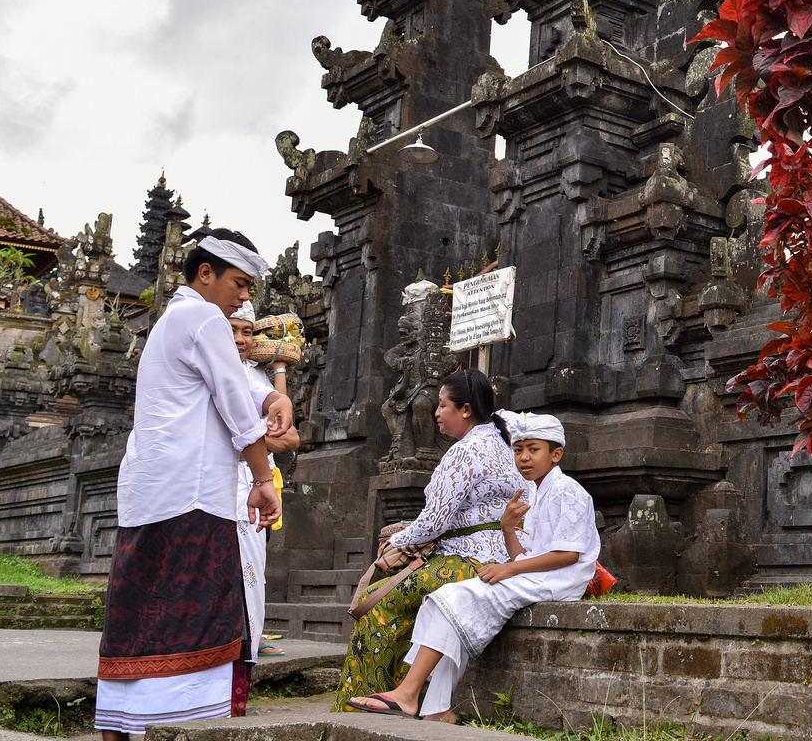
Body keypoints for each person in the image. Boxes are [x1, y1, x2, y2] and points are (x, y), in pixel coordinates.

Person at [94, 229, 292, 739]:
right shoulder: (204, 317)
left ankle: (123, 722)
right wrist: (260, 477)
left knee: (141, 612)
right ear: (206, 273)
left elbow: (225, 396)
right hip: (194, 495)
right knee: (196, 613)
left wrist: (273, 399)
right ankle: (182, 723)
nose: (245, 296)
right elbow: (232, 403)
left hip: (152, 493)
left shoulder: (170, 321)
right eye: (239, 283)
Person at [347, 411, 599, 721]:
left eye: (534, 449)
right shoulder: (532, 493)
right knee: (446, 602)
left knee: (457, 600)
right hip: (535, 574)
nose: (524, 458)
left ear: (556, 454)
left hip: (559, 580)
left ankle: (408, 694)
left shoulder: (569, 491)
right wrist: (508, 529)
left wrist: (507, 569)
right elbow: (523, 554)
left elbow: (567, 556)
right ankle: (438, 711)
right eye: (518, 450)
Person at [332, 369, 528, 712]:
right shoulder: (503, 443)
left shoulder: (464, 452)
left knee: (375, 601)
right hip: (501, 556)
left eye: (441, 405)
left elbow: (433, 522)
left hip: (469, 563)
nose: (435, 412)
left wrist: (397, 542)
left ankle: (365, 703)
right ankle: (413, 697)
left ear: (465, 409)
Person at [229, 301, 299, 668]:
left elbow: (290, 437)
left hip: (254, 485)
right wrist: (254, 439)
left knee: (253, 571)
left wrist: (250, 442)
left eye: (246, 331)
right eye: (232, 329)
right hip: (217, 486)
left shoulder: (255, 377)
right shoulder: (209, 371)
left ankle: (249, 647)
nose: (240, 339)